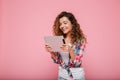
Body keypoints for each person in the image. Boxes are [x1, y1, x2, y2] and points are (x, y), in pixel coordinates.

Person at [45, 11, 87, 80]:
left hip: (77, 76)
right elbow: (57, 61)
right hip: (62, 76)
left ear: (72, 24)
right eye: (60, 24)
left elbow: (76, 63)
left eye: (65, 23)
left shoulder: (80, 40)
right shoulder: (60, 39)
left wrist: (70, 50)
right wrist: (51, 51)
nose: (62, 26)